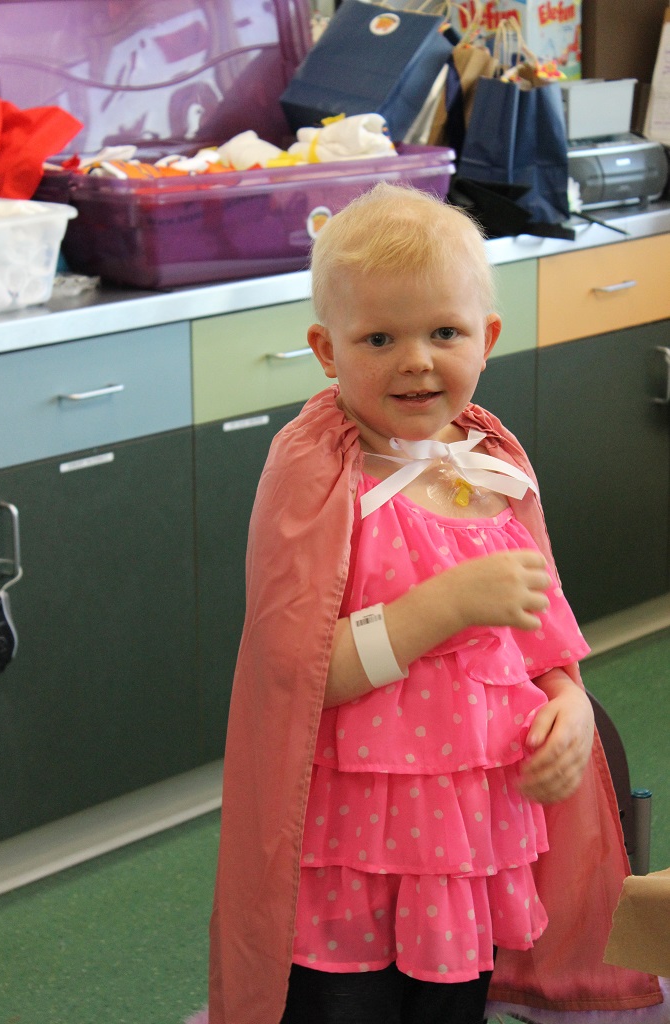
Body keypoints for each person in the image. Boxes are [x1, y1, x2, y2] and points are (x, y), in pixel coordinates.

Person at [208, 183, 661, 1024]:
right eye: (380, 337)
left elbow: (539, 639)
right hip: (344, 858)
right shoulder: (317, 471)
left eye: (443, 332)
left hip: (464, 846)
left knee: (453, 1009)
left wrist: (563, 704)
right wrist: (446, 605)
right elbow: (302, 676)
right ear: (326, 349)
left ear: (486, 338)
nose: (416, 360)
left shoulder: (490, 461)